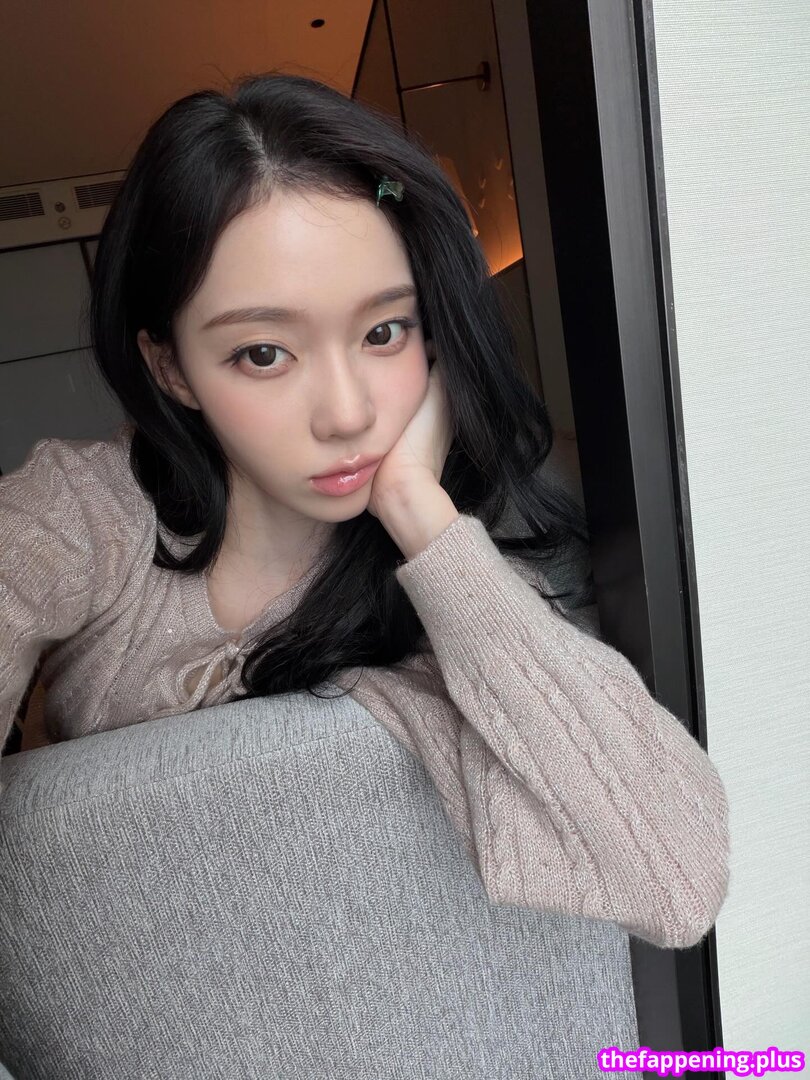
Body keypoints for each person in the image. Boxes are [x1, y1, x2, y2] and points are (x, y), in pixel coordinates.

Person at [0, 71, 729, 950]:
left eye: (385, 332)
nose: (347, 415)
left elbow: (677, 880)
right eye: (263, 353)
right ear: (171, 369)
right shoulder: (80, 515)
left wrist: (421, 513)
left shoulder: (452, 581)